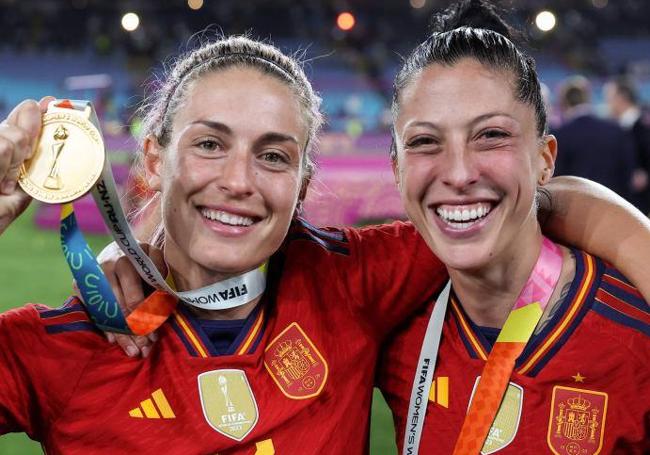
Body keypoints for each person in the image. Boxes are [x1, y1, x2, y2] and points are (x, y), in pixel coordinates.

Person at [1, 36, 649, 455]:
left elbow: (510, 205)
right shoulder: (66, 347)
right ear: (153, 158)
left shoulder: (350, 281)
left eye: (274, 155)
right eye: (208, 144)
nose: (238, 180)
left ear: (303, 182)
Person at [379, 1, 650, 454]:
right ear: (397, 170)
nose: (460, 173)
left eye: (491, 135)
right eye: (425, 142)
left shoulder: (635, 335)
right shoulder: (386, 321)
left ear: (545, 160)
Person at [554, 75, 637, 202]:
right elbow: (628, 173)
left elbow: (557, 180)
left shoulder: (560, 135)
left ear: (564, 103)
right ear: (588, 98)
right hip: (616, 206)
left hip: (576, 210)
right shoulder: (615, 130)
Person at [605, 75, 650, 215]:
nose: (608, 102)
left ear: (621, 97)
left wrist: (645, 172)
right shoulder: (618, 126)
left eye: (610, 97)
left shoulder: (643, 124)